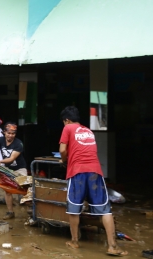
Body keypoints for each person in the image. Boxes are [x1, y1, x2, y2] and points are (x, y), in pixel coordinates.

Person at [59, 106, 127, 256]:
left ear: (67, 120)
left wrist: (64, 161)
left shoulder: (68, 128)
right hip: (95, 172)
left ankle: (74, 241)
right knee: (105, 210)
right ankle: (112, 246)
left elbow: (63, 150)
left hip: (77, 172)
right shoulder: (88, 131)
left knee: (74, 209)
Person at [0, 121, 26, 219]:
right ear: (4, 132)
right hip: (7, 169)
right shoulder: (0, 140)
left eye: (13, 133)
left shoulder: (19, 144)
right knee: (7, 190)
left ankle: (30, 212)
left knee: (25, 189)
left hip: (20, 169)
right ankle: (10, 212)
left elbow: (11, 159)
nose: (11, 135)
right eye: (9, 133)